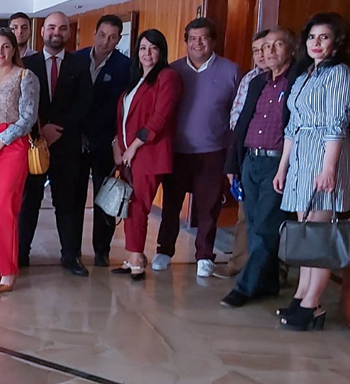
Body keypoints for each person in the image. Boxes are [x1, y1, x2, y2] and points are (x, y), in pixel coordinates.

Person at [273, 13, 350, 331]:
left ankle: (313, 304)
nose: (316, 43)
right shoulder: (305, 75)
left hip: (325, 158)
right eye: (312, 37)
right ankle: (301, 295)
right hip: (301, 159)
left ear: (336, 42)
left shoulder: (340, 74)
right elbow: (292, 127)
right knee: (306, 233)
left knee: (319, 236)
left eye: (324, 37)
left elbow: (336, 124)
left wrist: (328, 169)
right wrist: (283, 167)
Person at [154, 18, 240, 277]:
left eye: (203, 38)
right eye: (192, 38)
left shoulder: (231, 71)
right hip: (177, 150)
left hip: (214, 151)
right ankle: (164, 250)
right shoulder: (173, 70)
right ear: (186, 42)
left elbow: (237, 112)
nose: (198, 43)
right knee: (171, 206)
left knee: (209, 208)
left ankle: (204, 255)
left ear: (212, 40)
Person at [221, 27, 300, 307]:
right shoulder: (257, 82)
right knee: (254, 227)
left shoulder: (298, 81)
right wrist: (232, 163)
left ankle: (244, 287)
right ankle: (268, 283)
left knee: (267, 228)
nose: (270, 51)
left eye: (278, 45)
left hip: (278, 164)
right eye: (266, 46)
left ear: (291, 49)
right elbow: (242, 124)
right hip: (250, 161)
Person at [21, 11, 93, 276]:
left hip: (67, 145)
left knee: (67, 203)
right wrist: (40, 130)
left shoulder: (80, 65)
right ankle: (20, 253)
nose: (56, 32)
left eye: (62, 28)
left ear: (69, 33)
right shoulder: (26, 64)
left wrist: (58, 129)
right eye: (51, 27)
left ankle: (70, 256)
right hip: (33, 144)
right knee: (29, 202)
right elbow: (22, 102)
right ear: (42, 31)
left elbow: (84, 103)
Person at [111, 30, 182, 280]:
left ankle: (136, 258)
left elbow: (160, 117)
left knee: (138, 205)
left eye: (153, 48)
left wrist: (134, 146)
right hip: (129, 154)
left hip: (149, 152)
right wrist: (118, 145)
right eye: (143, 48)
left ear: (161, 51)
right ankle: (134, 255)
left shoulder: (167, 76)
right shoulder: (136, 80)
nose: (147, 53)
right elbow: (124, 120)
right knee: (129, 205)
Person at [0, 28, 39, 294]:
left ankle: (9, 269)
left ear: (14, 49)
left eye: (5, 46)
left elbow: (29, 117)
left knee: (5, 207)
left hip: (12, 144)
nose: (0, 51)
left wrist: (2, 139)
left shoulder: (26, 76)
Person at [74, 14, 131, 267]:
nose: (105, 41)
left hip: (105, 142)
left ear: (118, 40)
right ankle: (72, 248)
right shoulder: (76, 59)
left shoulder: (125, 66)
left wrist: (117, 141)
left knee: (104, 197)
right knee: (73, 198)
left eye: (112, 37)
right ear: (94, 33)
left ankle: (101, 250)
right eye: (102, 35)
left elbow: (123, 108)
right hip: (76, 140)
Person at [224, 29, 272, 278]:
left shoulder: (289, 79)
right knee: (245, 215)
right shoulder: (249, 79)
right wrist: (233, 163)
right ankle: (239, 265)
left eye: (265, 48)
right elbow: (237, 120)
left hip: (274, 159)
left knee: (270, 219)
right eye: (256, 50)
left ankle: (268, 272)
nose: (261, 55)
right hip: (247, 155)